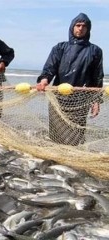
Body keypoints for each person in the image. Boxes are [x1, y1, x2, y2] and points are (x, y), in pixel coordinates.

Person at [36, 13, 103, 146]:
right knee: (57, 132)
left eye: (84, 26)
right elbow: (50, 68)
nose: (80, 29)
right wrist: (44, 80)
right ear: (72, 27)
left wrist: (96, 101)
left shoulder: (95, 50)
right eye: (78, 25)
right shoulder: (59, 48)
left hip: (80, 99)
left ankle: (73, 154)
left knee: (75, 133)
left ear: (88, 29)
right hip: (58, 97)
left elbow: (97, 77)